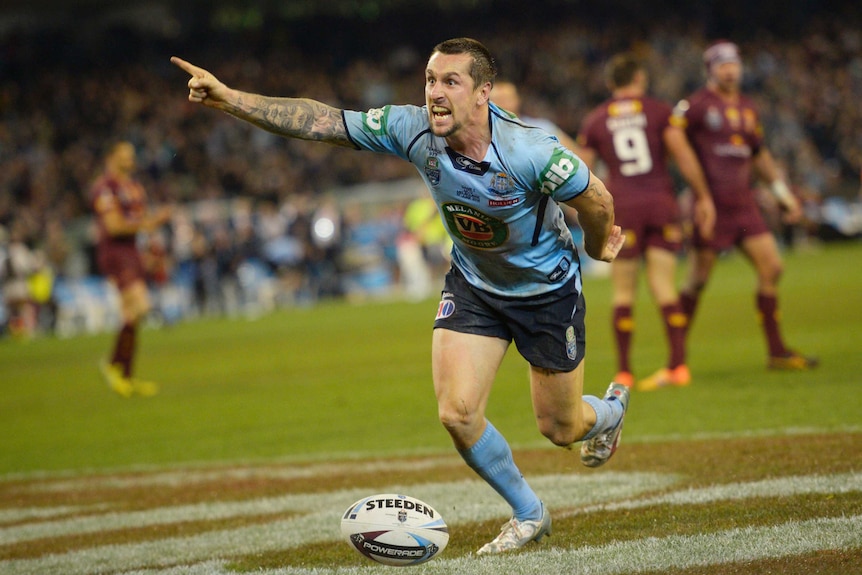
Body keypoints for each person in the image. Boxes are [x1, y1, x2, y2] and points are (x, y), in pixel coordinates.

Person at [172, 37, 628, 555]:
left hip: (546, 293)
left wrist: (596, 245)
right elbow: (322, 122)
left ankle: (610, 412)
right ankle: (529, 512)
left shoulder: (530, 150)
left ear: (483, 93)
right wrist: (230, 98)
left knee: (562, 428)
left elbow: (596, 197)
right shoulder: (410, 128)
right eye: (431, 80)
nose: (435, 92)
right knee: (457, 413)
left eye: (450, 81)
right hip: (475, 285)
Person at [671, 41, 818, 370]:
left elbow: (760, 157)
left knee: (772, 267)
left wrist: (784, 197)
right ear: (710, 69)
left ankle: (777, 352)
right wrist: (692, 193)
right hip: (711, 206)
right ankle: (676, 361)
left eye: (734, 63)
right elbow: (674, 140)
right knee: (698, 279)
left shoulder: (749, 108)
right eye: (722, 64)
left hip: (743, 205)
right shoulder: (695, 106)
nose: (729, 69)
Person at [576, 54, 716, 391]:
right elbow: (683, 155)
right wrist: (703, 196)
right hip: (660, 202)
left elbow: (583, 172)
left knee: (623, 291)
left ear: (611, 84)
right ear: (640, 79)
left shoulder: (595, 120)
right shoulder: (659, 111)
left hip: (622, 207)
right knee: (664, 286)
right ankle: (679, 365)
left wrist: (589, 212)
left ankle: (624, 371)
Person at [91, 141, 172, 397]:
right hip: (115, 253)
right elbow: (114, 227)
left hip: (132, 252)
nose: (130, 160)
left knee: (131, 314)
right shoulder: (105, 188)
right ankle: (114, 365)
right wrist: (149, 224)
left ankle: (124, 373)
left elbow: (140, 223)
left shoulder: (134, 187)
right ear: (111, 157)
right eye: (125, 156)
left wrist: (150, 252)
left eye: (132, 156)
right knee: (141, 306)